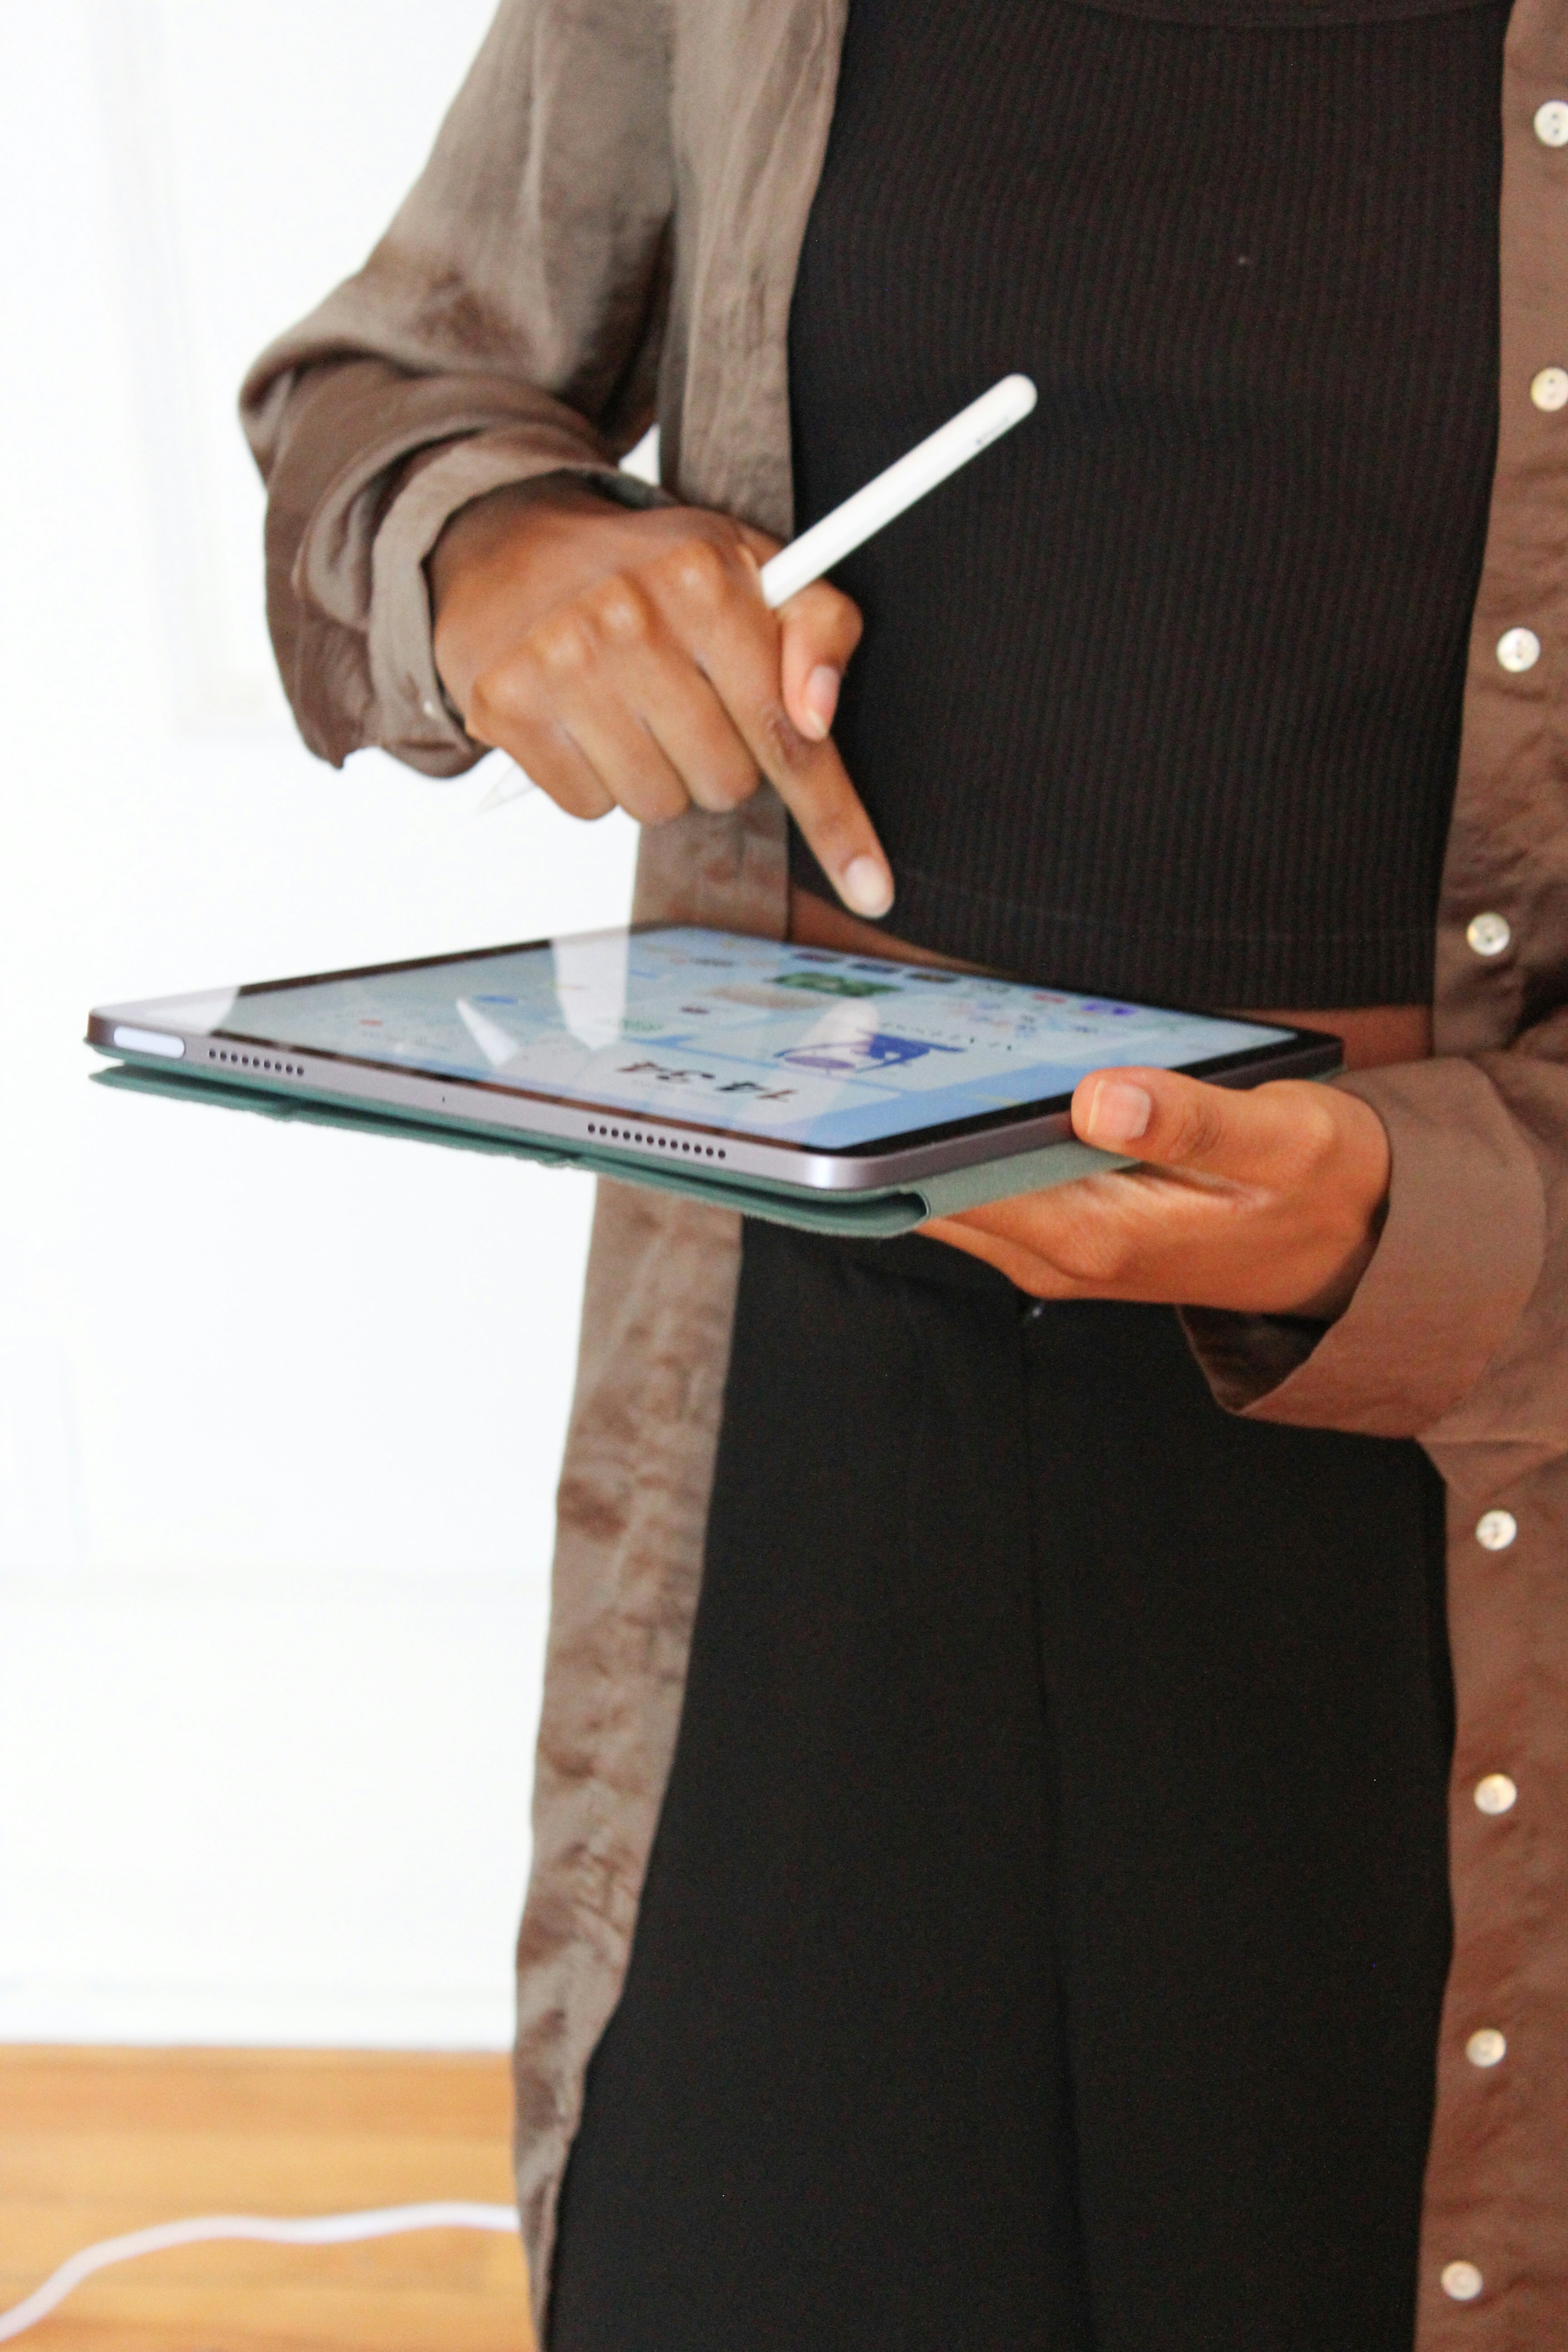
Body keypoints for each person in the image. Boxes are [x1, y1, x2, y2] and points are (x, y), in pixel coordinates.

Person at [241, 0, 1568, 2341]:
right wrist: (506, 549)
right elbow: (384, 396)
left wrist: (1406, 1209)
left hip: (1471, 1451)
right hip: (815, 1387)